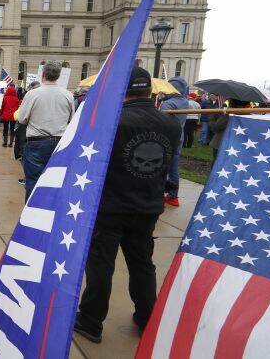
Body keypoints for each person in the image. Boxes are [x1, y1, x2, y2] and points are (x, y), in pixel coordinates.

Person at [74, 67, 180, 344]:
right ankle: (147, 317)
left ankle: (91, 320)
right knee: (142, 264)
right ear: (150, 90)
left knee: (101, 265)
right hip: (147, 206)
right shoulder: (170, 124)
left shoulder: (112, 121)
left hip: (110, 206)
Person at [15, 61, 74, 201]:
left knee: (33, 181)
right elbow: (71, 120)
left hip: (37, 142)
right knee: (55, 181)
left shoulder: (32, 94)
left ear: (43, 74)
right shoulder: (68, 95)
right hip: (59, 142)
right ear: (58, 76)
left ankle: (32, 214)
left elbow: (22, 118)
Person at [159, 76, 189, 208]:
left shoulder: (167, 104)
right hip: (179, 137)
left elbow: (160, 123)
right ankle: (173, 196)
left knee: (161, 167)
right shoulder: (184, 101)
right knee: (174, 168)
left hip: (166, 139)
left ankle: (159, 195)